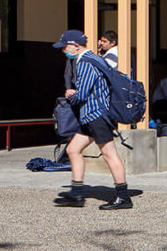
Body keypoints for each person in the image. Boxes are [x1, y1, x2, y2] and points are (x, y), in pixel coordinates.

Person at [52, 30, 131, 209]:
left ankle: (123, 197)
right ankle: (76, 194)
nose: (64, 49)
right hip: (91, 115)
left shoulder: (86, 63)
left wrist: (71, 94)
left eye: (65, 46)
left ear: (76, 45)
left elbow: (83, 94)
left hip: (96, 115)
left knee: (109, 154)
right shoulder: (94, 59)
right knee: (73, 150)